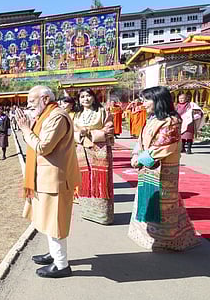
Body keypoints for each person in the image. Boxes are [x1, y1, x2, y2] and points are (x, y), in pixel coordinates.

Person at [14, 86, 80, 278]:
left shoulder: (57, 117)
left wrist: (25, 129)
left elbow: (43, 147)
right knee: (49, 220)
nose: (29, 106)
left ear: (44, 99)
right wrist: (29, 126)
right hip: (45, 178)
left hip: (55, 179)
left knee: (55, 223)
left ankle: (61, 265)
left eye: (32, 102)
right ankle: (54, 254)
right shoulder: (46, 115)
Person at [128, 86, 200, 251]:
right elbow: (141, 140)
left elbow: (164, 146)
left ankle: (167, 240)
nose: (143, 103)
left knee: (165, 204)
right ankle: (148, 236)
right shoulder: (152, 118)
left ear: (158, 100)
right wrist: (135, 154)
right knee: (150, 199)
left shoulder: (172, 121)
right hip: (148, 166)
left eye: (146, 100)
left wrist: (140, 159)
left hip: (164, 168)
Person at [72, 88, 115, 225]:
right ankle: (87, 211)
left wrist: (90, 133)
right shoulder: (77, 115)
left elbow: (109, 129)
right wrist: (79, 134)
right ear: (79, 100)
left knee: (101, 181)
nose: (85, 99)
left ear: (94, 98)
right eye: (82, 97)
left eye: (88, 96)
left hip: (100, 149)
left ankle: (102, 215)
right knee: (85, 179)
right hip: (82, 149)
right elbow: (71, 132)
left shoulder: (103, 112)